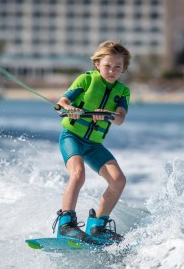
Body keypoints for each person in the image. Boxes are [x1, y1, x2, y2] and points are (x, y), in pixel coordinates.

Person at [52, 40, 131, 244]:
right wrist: (70, 109)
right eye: (107, 66)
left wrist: (107, 115)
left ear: (123, 69)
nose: (112, 71)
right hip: (72, 137)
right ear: (97, 64)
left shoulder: (122, 91)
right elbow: (62, 103)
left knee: (118, 180)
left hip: (94, 145)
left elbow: (120, 118)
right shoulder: (86, 80)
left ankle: (97, 226)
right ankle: (66, 224)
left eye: (117, 67)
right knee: (78, 174)